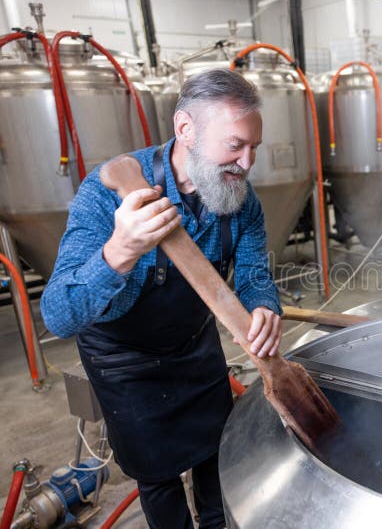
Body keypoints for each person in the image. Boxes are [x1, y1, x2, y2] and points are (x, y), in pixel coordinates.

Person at [41, 68, 283, 528]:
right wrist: (119, 251)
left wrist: (264, 305)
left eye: (255, 148)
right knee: (158, 478)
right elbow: (58, 315)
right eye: (235, 146)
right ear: (185, 130)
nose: (247, 163)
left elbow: (252, 274)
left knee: (217, 455)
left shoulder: (241, 201)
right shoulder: (107, 195)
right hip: (126, 364)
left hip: (195, 349)